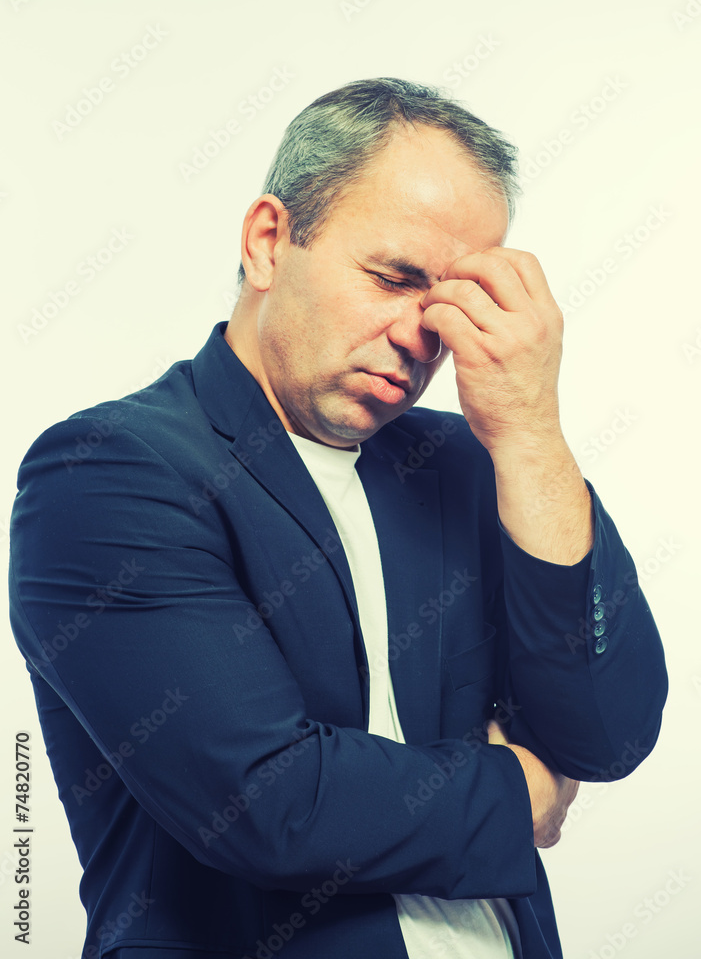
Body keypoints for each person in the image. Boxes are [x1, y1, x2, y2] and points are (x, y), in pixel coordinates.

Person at [9, 78, 667, 959]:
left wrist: (532, 434)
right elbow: (269, 802)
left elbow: (608, 731)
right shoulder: (109, 471)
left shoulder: (472, 462)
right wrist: (520, 789)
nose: (419, 334)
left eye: (448, 301)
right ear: (268, 241)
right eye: (393, 279)